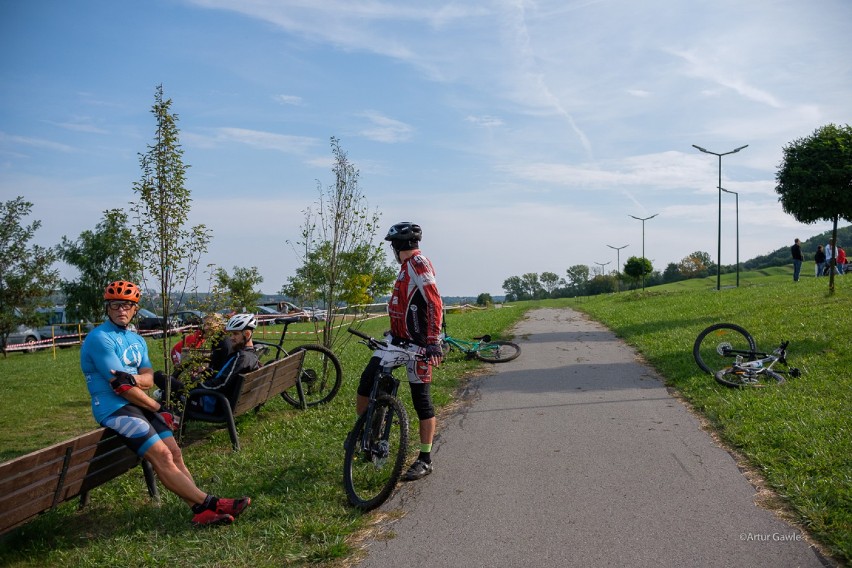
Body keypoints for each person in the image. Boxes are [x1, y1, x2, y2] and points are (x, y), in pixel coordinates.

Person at [80, 280, 251, 526]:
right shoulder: (100, 338)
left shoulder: (136, 340)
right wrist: (158, 406)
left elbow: (148, 377)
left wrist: (138, 379)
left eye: (127, 306)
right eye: (116, 305)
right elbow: (123, 388)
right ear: (107, 308)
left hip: (140, 404)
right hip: (115, 408)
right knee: (161, 454)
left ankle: (199, 509)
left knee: (175, 453)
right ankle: (210, 503)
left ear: (135, 309)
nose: (121, 311)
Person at [354, 222, 444, 481]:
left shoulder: (418, 263)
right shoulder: (406, 268)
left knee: (422, 401)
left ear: (397, 246)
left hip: (419, 347)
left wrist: (433, 341)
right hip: (397, 341)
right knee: (367, 381)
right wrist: (394, 329)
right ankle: (367, 431)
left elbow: (434, 301)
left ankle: (425, 459)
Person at [155, 313, 261, 415]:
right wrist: (206, 373)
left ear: (247, 334)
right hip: (222, 401)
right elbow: (224, 374)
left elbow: (222, 383)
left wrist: (194, 387)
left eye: (236, 334)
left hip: (210, 403)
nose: (232, 337)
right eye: (231, 334)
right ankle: (166, 406)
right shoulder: (250, 355)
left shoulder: (241, 357)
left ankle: (165, 413)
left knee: (159, 376)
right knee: (174, 383)